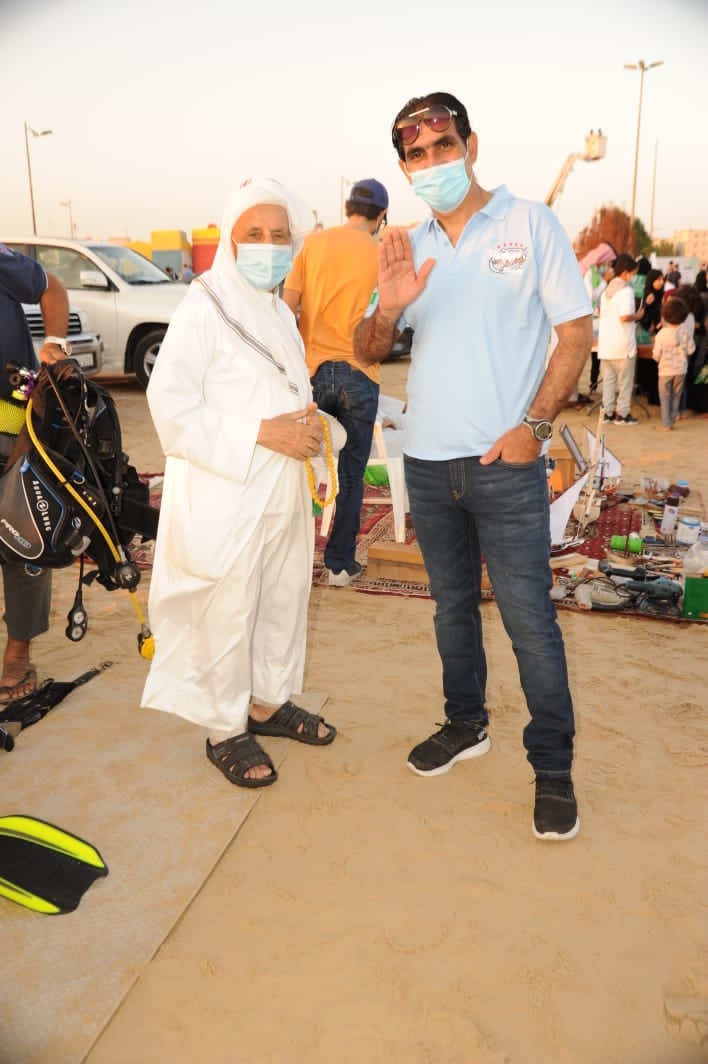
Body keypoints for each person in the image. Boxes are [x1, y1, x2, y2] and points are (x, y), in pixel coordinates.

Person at [353, 91, 593, 841]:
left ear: (470, 145)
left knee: (529, 621)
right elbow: (367, 348)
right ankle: (466, 724)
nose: (432, 163)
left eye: (443, 146)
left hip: (504, 466)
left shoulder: (530, 224)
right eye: (416, 155)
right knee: (451, 609)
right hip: (428, 465)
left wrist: (534, 428)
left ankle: (552, 768)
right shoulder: (408, 246)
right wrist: (390, 308)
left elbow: (576, 333)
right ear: (404, 168)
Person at [140, 178, 337, 788]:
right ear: (230, 239)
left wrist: (310, 434)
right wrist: (261, 433)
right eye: (254, 234)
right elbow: (170, 405)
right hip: (225, 490)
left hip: (280, 487)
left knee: (281, 598)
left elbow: (285, 389)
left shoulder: (278, 311)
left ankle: (269, 703)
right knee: (227, 609)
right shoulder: (205, 304)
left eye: (279, 235)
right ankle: (224, 729)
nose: (268, 246)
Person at [283, 179, 389, 586]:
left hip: (312, 372)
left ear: (348, 208)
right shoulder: (381, 254)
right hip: (361, 374)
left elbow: (287, 308)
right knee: (351, 473)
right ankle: (340, 564)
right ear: (381, 216)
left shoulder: (313, 245)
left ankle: (289, 560)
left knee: (295, 465)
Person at [0, 245, 70, 704]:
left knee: (23, 536)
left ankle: (18, 651)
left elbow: (52, 289)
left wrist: (54, 344)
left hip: (10, 430)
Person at [597, 252, 645, 425]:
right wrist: (638, 315)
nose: (634, 276)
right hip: (622, 345)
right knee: (625, 383)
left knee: (608, 382)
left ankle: (607, 413)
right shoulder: (626, 291)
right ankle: (623, 414)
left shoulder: (606, 291)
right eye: (633, 273)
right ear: (625, 272)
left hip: (606, 345)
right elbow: (625, 316)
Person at [652, 295, 694, 430]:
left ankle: (666, 424)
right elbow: (691, 350)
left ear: (665, 315)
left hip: (665, 370)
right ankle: (673, 417)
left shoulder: (661, 334)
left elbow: (656, 355)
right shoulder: (685, 332)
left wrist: (657, 358)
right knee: (677, 395)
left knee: (665, 397)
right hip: (681, 370)